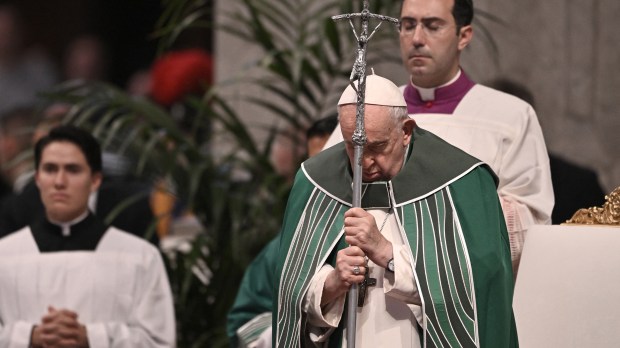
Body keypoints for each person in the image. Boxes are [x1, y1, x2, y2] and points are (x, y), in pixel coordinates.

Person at [274, 74, 516, 347]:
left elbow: (479, 291)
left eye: (377, 147)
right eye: (353, 147)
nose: (364, 162)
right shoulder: (316, 183)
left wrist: (387, 254)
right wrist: (332, 284)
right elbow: (291, 294)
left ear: (406, 131)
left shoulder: (460, 183)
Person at [325, 0, 554, 274]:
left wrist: (427, 235)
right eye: (408, 26)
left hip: (458, 286)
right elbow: (324, 201)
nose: (417, 39)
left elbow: (530, 219)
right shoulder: (366, 112)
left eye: (433, 26)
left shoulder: (510, 116)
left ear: (464, 35)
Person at [0, 125, 175, 347]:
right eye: (50, 169)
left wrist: (91, 337)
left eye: (73, 170)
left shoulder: (140, 257)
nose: (59, 182)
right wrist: (29, 337)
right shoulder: (4, 256)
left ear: (95, 180)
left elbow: (159, 342)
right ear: (37, 179)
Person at [226, 115, 339, 348]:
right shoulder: (285, 246)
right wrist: (299, 324)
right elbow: (245, 322)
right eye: (312, 164)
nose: (318, 178)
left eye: (328, 163)